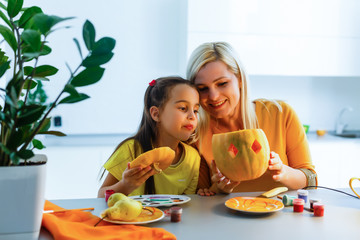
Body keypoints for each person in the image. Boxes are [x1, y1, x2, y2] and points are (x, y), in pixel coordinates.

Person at [186, 42, 317, 196]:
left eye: (222, 84)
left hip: (281, 215)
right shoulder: (195, 134)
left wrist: (283, 171)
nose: (214, 96)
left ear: (240, 79)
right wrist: (220, 188)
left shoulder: (281, 114)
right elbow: (201, 197)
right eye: (203, 89)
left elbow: (311, 180)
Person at [98, 77, 201, 197]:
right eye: (183, 108)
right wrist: (125, 185)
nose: (192, 116)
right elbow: (100, 196)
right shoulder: (131, 150)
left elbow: (187, 203)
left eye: (196, 110)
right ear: (156, 114)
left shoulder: (193, 158)